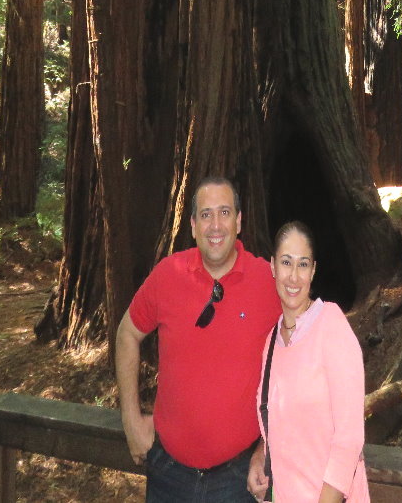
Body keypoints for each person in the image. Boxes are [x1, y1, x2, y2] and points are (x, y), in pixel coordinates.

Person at [116, 176, 281, 502]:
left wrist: (267, 446)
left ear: (239, 222)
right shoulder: (168, 275)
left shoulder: (268, 281)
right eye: (206, 215)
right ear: (192, 225)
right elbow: (127, 334)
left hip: (238, 479)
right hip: (167, 474)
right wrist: (131, 419)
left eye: (224, 212)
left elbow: (301, 366)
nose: (215, 225)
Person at [248, 221, 370, 502]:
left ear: (313, 270)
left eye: (302, 265)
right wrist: (260, 455)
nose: (293, 276)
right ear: (272, 267)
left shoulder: (331, 325)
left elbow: (348, 439)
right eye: (286, 262)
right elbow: (278, 422)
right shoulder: (271, 344)